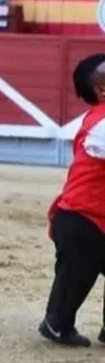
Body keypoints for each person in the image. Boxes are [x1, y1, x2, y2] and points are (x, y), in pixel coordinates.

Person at [40, 53, 105, 348]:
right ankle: (57, 324)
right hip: (83, 218)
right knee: (77, 272)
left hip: (90, 215)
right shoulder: (101, 123)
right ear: (101, 90)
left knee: (78, 270)